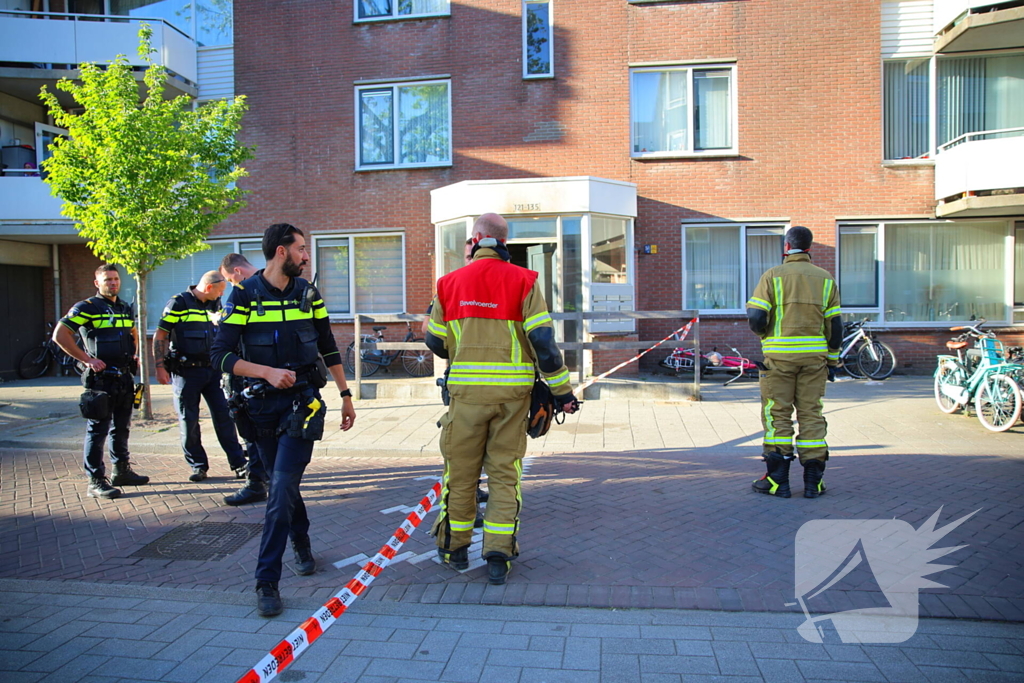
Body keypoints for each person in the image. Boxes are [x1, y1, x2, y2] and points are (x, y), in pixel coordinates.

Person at [424, 213, 578, 585]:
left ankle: (454, 548)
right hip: (513, 400)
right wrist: (563, 393)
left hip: (465, 399)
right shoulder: (525, 282)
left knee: (460, 476)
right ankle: (497, 555)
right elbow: (544, 344)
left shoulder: (449, 284)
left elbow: (433, 341)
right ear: (503, 241)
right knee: (504, 477)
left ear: (477, 239)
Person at [212, 224, 356, 617]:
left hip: (301, 406)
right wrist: (265, 372)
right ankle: (303, 544)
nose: (306, 256)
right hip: (258, 409)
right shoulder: (242, 295)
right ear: (281, 252)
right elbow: (220, 355)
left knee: (280, 488)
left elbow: (328, 346)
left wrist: (345, 395)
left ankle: (266, 581)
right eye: (301, 249)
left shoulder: (309, 294)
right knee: (282, 485)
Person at [746, 226, 842, 499]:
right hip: (815, 360)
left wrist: (767, 335)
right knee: (811, 414)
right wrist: (832, 361)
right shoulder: (825, 279)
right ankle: (814, 483)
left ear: (786, 247)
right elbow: (835, 325)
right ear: (809, 248)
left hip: (778, 360)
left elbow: (755, 317)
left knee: (778, 415)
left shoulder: (773, 276)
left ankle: (778, 482)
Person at [53, 264, 150, 499]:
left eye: (116, 279)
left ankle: (122, 471)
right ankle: (95, 480)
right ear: (97, 283)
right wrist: (87, 359)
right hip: (100, 381)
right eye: (107, 280)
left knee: (122, 428)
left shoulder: (125, 307)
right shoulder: (87, 307)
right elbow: (60, 335)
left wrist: (135, 354)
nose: (113, 283)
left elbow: (132, 334)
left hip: (124, 378)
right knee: (98, 430)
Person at [154, 270, 247, 483]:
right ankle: (198, 465)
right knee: (189, 420)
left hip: (213, 370)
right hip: (186, 372)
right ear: (208, 287)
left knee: (224, 417)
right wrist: (159, 367)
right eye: (220, 291)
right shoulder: (178, 303)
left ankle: (239, 463)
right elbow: (161, 334)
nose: (221, 296)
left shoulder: (215, 304)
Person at [218, 253, 268, 506]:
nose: (230, 285)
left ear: (237, 271)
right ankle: (265, 478)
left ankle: (256, 483)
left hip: (248, 373)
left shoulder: (242, 293)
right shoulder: (275, 286)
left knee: (251, 431)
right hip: (272, 372)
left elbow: (228, 340)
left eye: (229, 280)